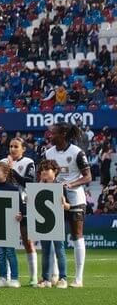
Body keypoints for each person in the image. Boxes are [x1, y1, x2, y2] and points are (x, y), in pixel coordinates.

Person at [44, 122, 92, 287]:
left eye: (53, 133)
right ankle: (56, 275)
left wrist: (70, 185)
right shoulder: (48, 153)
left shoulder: (77, 152)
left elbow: (87, 177)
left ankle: (78, 278)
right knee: (54, 235)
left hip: (75, 197)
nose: (50, 135)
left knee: (77, 235)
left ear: (63, 134)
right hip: (55, 198)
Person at [0, 136, 39, 285]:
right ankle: (6, 276)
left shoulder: (28, 162)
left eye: (16, 146)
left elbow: (28, 182)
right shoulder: (2, 162)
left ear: (23, 149)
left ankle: (33, 276)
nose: (13, 149)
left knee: (27, 240)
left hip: (23, 203)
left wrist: (12, 171)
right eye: (11, 146)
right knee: (5, 241)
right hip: (5, 204)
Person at [35, 161, 69, 288]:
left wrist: (64, 204)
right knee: (45, 251)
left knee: (60, 250)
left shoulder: (60, 186)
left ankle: (63, 278)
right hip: (44, 222)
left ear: (54, 171)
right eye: (42, 169)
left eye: (47, 169)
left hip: (57, 222)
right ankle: (46, 279)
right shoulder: (38, 186)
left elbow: (68, 206)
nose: (44, 171)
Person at [0, 162, 21, 288]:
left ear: (5, 174)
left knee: (10, 252)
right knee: (0, 253)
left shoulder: (13, 189)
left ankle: (14, 278)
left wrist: (20, 214)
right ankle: (2, 277)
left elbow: (19, 207)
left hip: (10, 226)